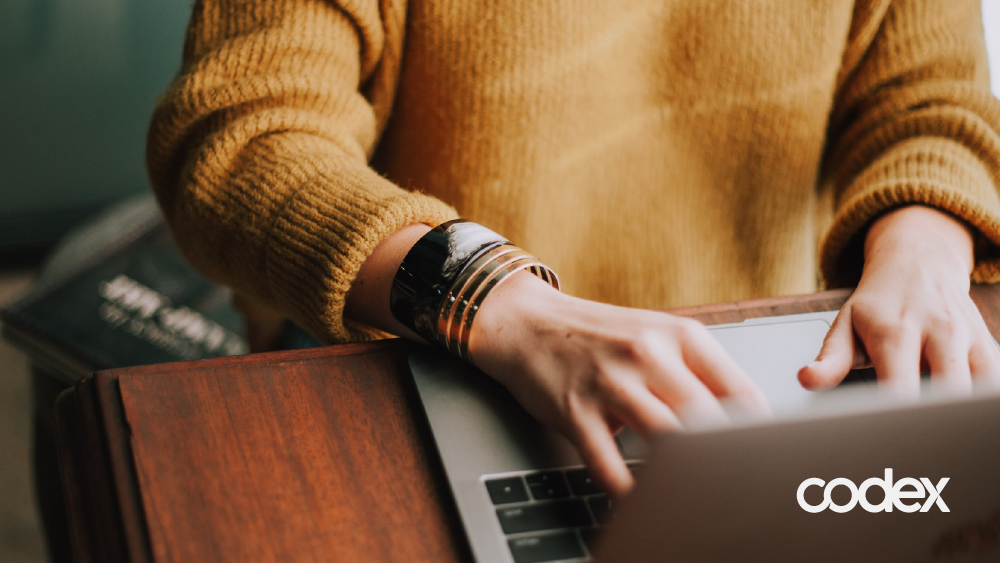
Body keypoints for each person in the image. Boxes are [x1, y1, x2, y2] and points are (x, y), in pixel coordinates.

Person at [147, 0, 1000, 498]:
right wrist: (500, 301)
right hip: (423, 354)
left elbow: (928, 100)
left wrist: (924, 244)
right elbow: (242, 139)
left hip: (758, 375)